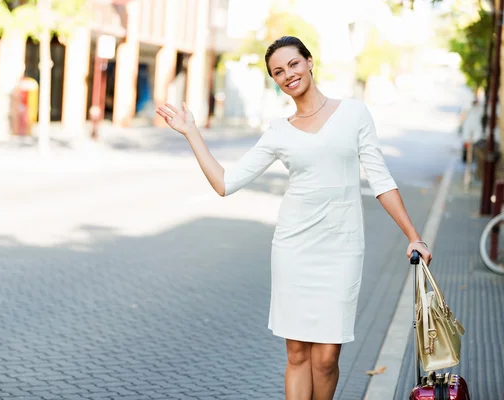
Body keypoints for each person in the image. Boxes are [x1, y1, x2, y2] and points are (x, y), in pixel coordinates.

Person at [156, 36, 432, 400]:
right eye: (278, 72)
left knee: (327, 358)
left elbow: (380, 180)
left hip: (342, 249)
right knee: (298, 353)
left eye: (293, 64)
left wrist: (414, 234)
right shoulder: (279, 131)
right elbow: (225, 183)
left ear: (309, 62)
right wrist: (192, 132)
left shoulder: (354, 113)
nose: (288, 74)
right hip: (294, 248)